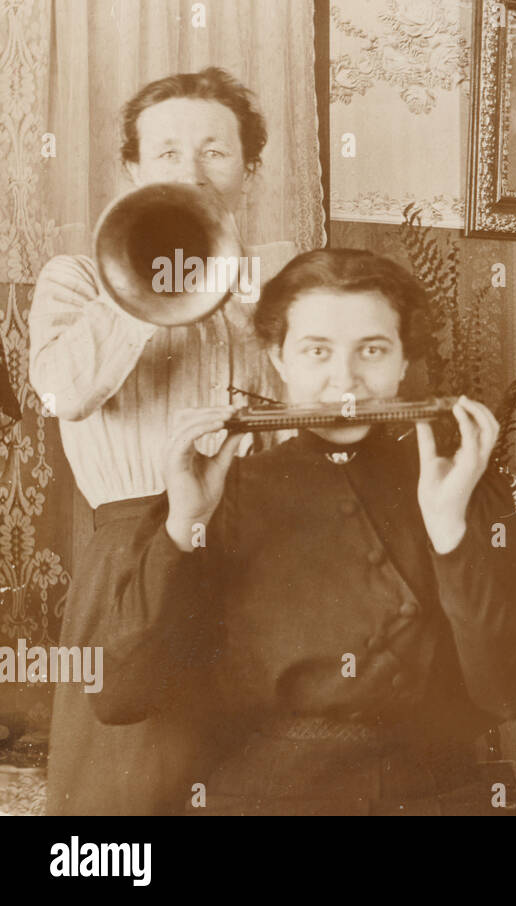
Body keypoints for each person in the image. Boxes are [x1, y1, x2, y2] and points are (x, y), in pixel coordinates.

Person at [92, 249, 516, 815]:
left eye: (373, 351)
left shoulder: (460, 484)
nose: (346, 381)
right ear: (279, 360)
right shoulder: (217, 493)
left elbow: (512, 693)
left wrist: (451, 531)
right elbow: (118, 696)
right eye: (317, 352)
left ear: (405, 361)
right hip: (261, 801)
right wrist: (186, 526)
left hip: (434, 797)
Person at [30, 66, 299, 816]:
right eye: (169, 152)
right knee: (126, 796)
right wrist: (148, 278)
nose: (192, 170)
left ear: (248, 169)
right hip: (134, 561)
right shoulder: (77, 277)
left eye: (215, 152)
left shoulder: (276, 286)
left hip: (267, 553)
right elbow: (60, 393)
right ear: (133, 169)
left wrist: (244, 296)